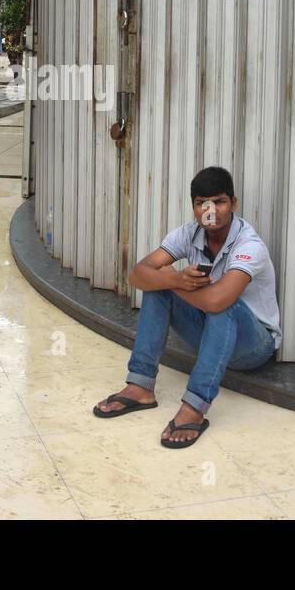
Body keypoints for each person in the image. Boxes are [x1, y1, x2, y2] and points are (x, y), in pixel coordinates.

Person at [93, 166, 281, 448]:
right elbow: (136, 275)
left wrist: (172, 281)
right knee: (157, 289)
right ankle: (140, 386)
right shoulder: (187, 234)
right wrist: (176, 279)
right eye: (201, 203)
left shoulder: (249, 244)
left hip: (253, 346)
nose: (210, 210)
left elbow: (218, 301)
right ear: (193, 207)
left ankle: (194, 406)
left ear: (234, 203)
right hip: (209, 335)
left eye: (219, 201)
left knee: (220, 303)